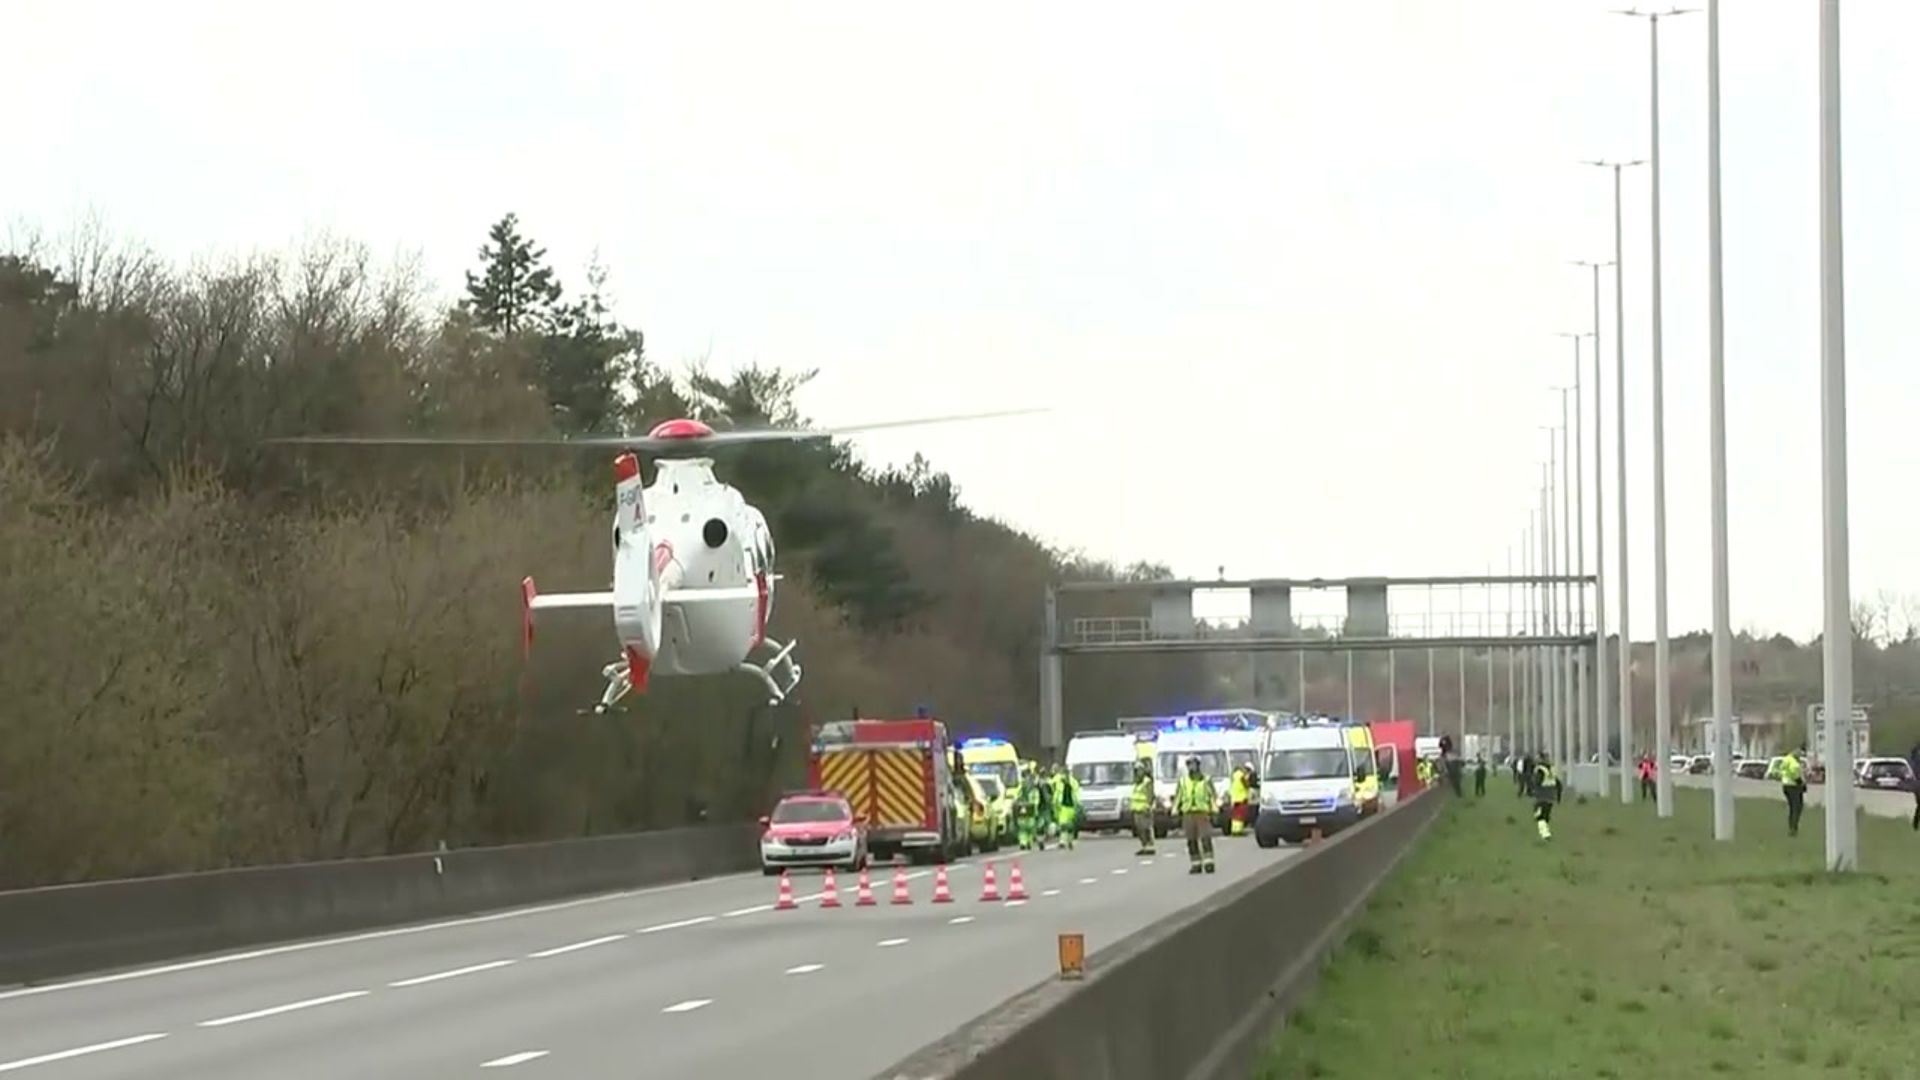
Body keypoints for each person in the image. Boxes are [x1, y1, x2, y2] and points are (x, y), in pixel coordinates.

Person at [1174, 755, 1218, 874]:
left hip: (1202, 813)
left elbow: (1212, 796)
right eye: (1189, 765)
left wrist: (1214, 810)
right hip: (1188, 813)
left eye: (1194, 764)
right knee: (1191, 840)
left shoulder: (1206, 780)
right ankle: (1196, 864)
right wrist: (1175, 810)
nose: (1191, 767)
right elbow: (1178, 796)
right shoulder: (1183, 781)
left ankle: (1209, 862)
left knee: (1205, 837)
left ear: (1198, 766)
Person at [1531, 752, 1562, 840]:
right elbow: (1558, 784)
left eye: (1537, 758)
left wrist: (1532, 789)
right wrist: (1558, 797)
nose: (1535, 759)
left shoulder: (1540, 769)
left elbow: (1537, 782)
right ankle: (1545, 832)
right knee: (1546, 815)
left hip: (1542, 796)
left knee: (1539, 816)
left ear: (1541, 759)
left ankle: (1545, 834)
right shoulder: (1551, 769)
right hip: (1551, 797)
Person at [1130, 759, 1157, 855]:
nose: (1138, 772)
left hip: (1144, 809)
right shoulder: (1136, 782)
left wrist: (1149, 806)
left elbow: (1150, 795)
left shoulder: (1147, 782)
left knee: (1146, 829)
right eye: (1136, 770)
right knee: (1140, 830)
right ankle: (1144, 846)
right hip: (1136, 809)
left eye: (1140, 770)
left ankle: (1150, 846)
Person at [1779, 746, 1807, 837]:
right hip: (1794, 786)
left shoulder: (1786, 759)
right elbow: (1794, 773)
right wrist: (1801, 784)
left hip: (1785, 785)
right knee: (1797, 807)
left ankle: (1791, 826)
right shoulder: (1794, 763)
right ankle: (1793, 828)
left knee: (1792, 808)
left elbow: (1781, 770)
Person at [1051, 764, 1080, 850]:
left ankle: (1070, 841)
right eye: (1063, 773)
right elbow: (1056, 791)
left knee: (1070, 825)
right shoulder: (1059, 782)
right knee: (1063, 824)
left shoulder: (1073, 782)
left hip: (1071, 806)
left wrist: (1078, 804)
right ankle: (1062, 842)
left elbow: (1077, 793)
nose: (1064, 775)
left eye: (1066, 773)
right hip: (1062, 806)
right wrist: (1054, 802)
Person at [1227, 763, 1251, 837]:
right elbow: (1246, 785)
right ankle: (1239, 831)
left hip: (1234, 798)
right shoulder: (1241, 775)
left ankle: (1234, 830)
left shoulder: (1234, 776)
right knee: (1240, 815)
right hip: (1241, 797)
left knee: (1235, 816)